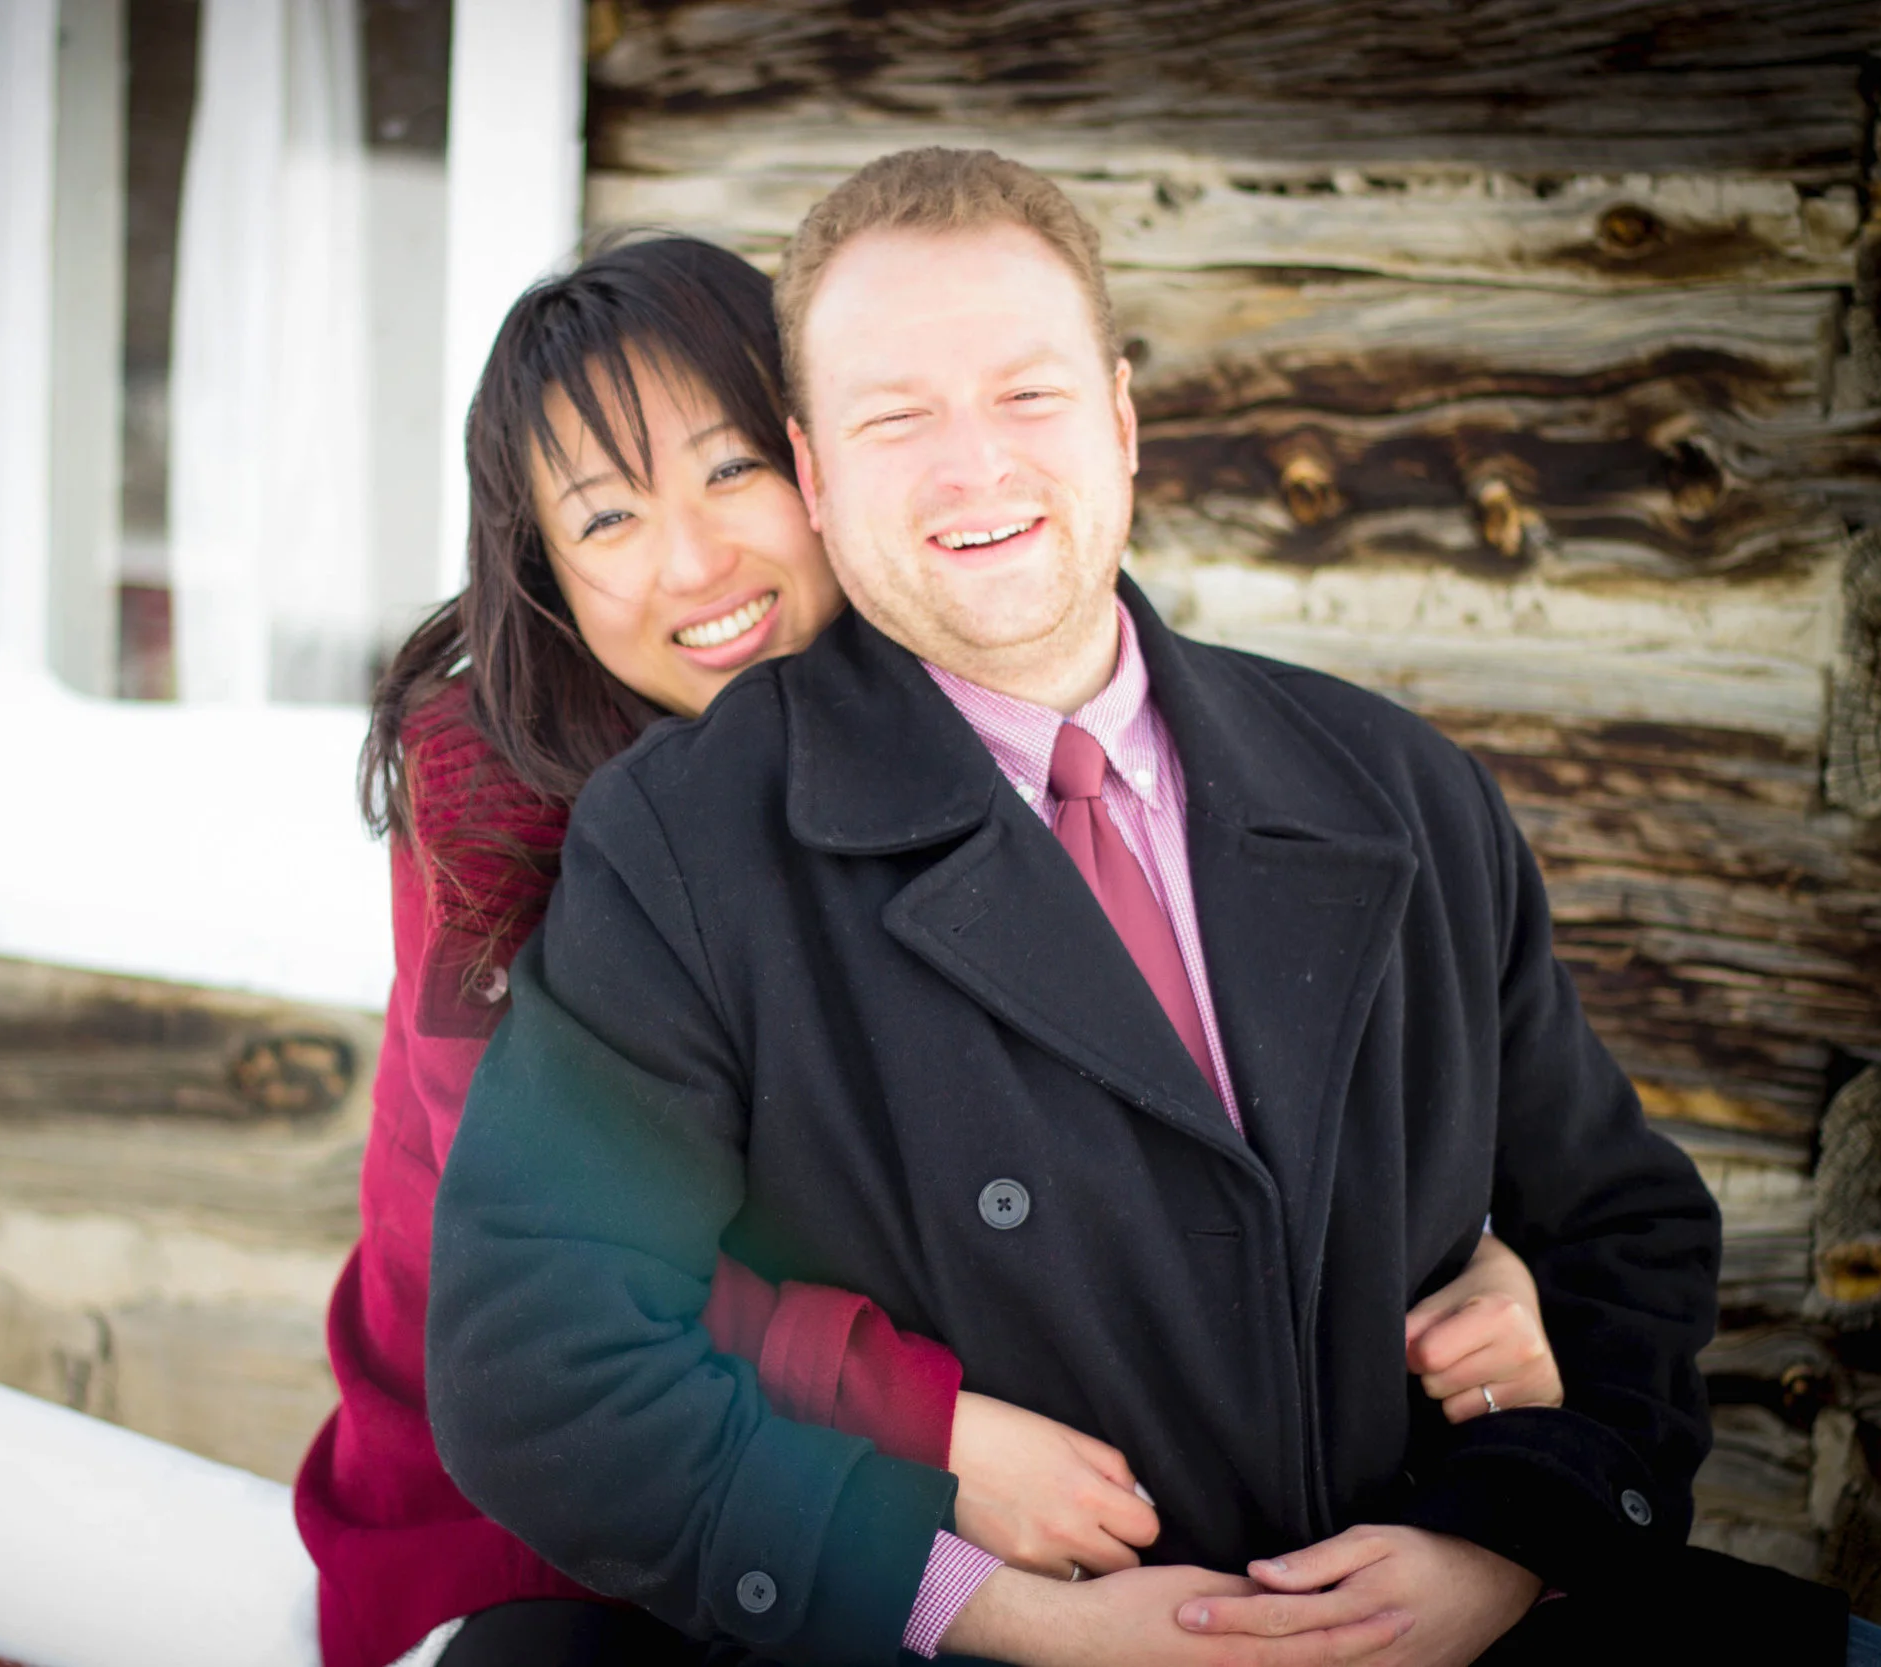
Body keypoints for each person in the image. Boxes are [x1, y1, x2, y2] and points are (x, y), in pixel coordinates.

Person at [426, 152, 1881, 1665]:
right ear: (819, 472)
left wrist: (1508, 1538)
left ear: (1123, 421)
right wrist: (975, 1608)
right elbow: (539, 1359)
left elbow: (1624, 1230)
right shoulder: (684, 845)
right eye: (896, 417)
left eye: (1027, 395)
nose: (974, 468)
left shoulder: (1396, 783)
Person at [293, 233, 1566, 1667]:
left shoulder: (991, 736)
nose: (696, 560)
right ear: (544, 576)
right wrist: (934, 1426)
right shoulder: (508, 814)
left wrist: (1468, 1252)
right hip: (548, 1533)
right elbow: (557, 1289)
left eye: (731, 472)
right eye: (607, 521)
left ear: (821, 467)